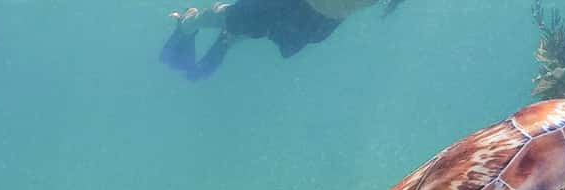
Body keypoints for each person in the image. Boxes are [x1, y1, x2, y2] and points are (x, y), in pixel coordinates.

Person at [160, 0, 404, 80]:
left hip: (321, 22)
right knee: (234, 17)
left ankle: (231, 37)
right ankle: (191, 22)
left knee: (281, 39)